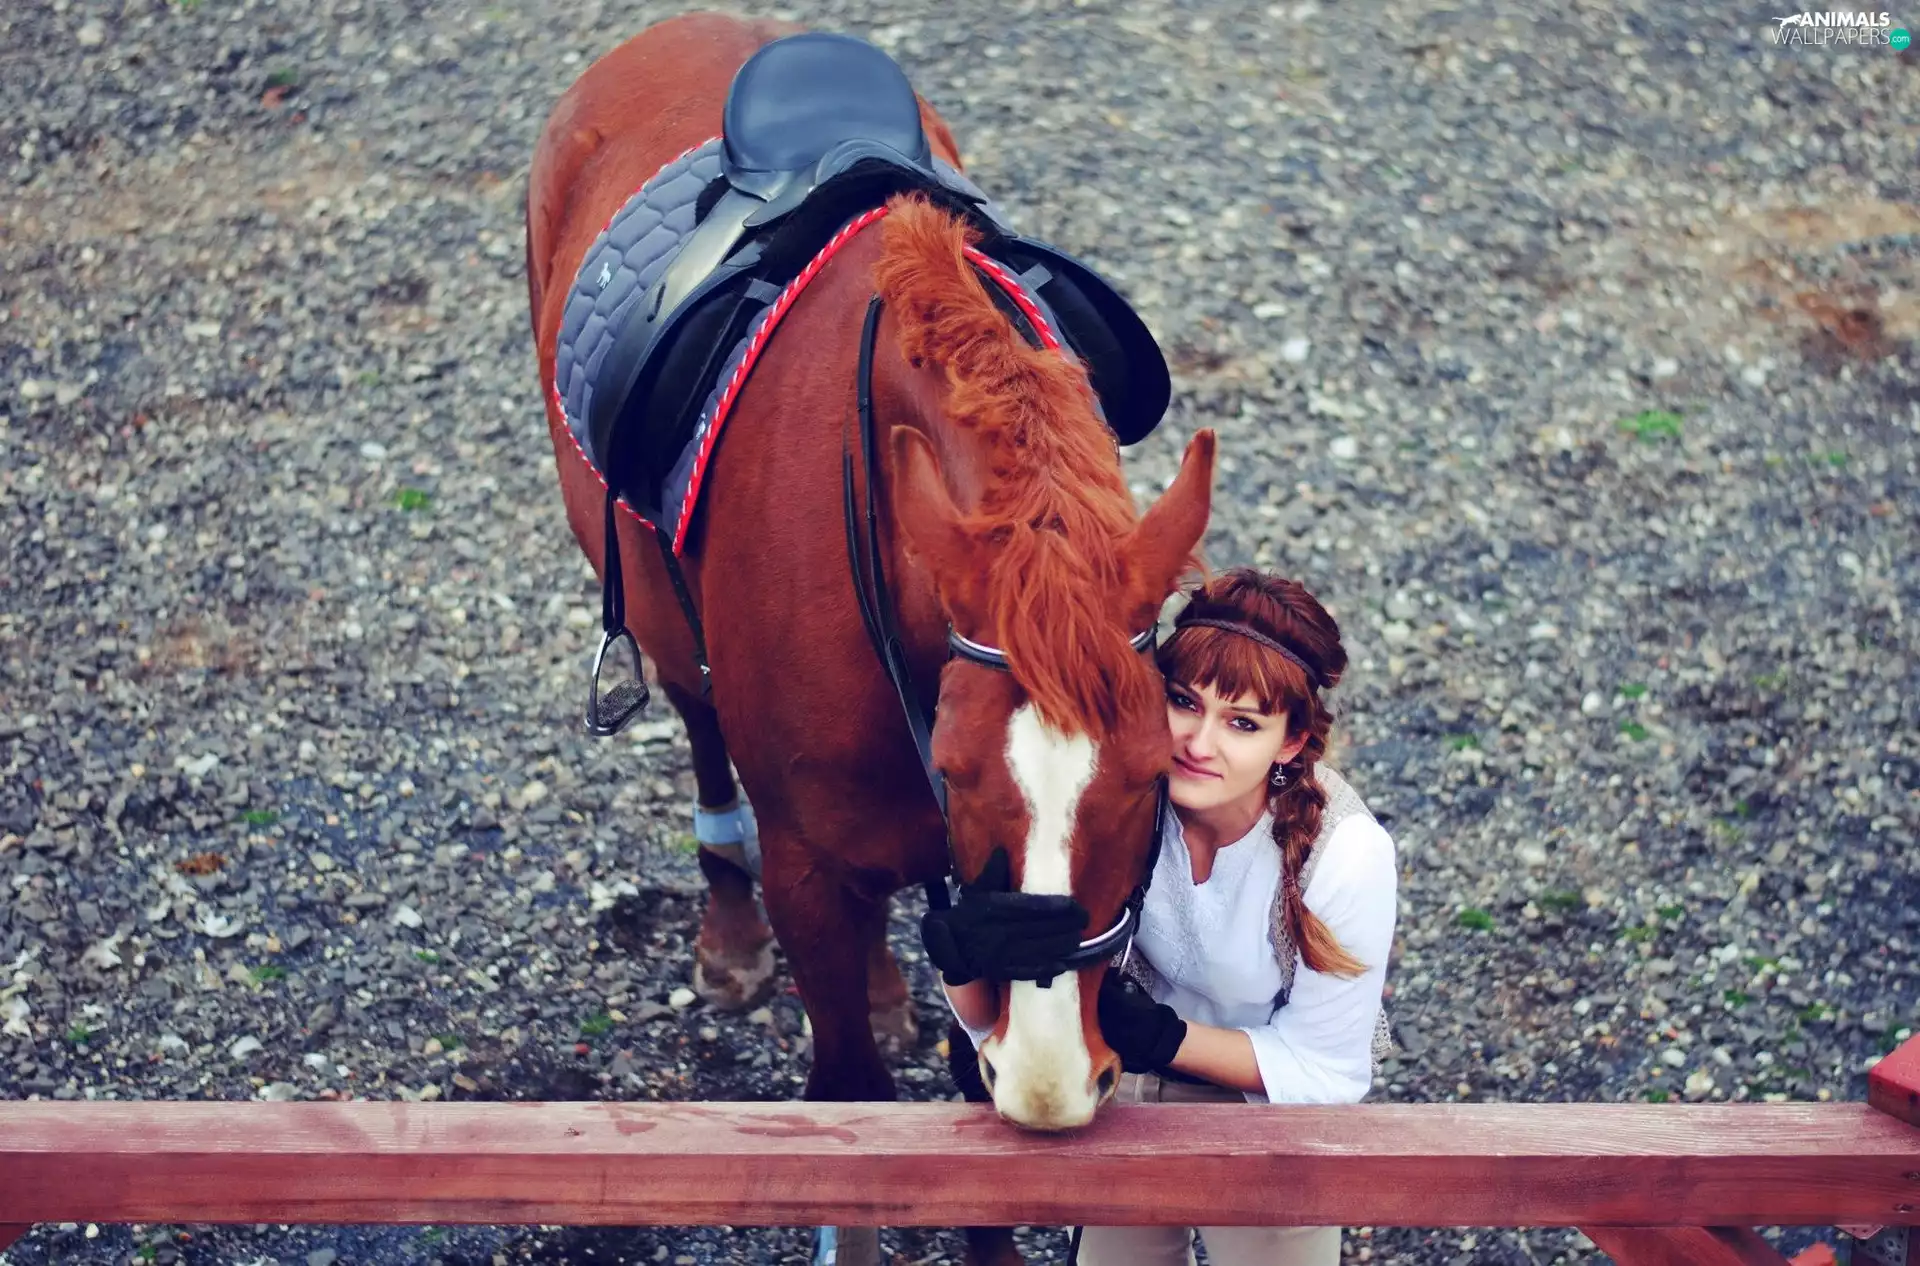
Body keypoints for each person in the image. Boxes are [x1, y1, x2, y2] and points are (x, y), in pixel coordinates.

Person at [928, 567, 1399, 1266]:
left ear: (1292, 743)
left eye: (1242, 723)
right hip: (1127, 1080)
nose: (1198, 743)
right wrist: (963, 965)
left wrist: (1163, 1035)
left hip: (1272, 1108)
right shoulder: (1114, 802)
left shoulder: (1346, 854)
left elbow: (1329, 1073)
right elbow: (992, 1022)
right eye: (1183, 702)